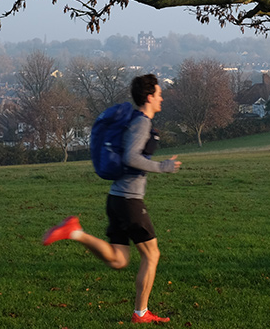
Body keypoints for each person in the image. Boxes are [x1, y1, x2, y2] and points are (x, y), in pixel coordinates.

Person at [43, 74, 181, 324]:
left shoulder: (138, 121)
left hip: (117, 198)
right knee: (152, 255)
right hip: (129, 201)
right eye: (159, 94)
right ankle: (141, 313)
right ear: (149, 97)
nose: (162, 98)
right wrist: (163, 167)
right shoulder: (141, 123)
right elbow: (130, 157)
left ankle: (75, 232)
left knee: (119, 260)